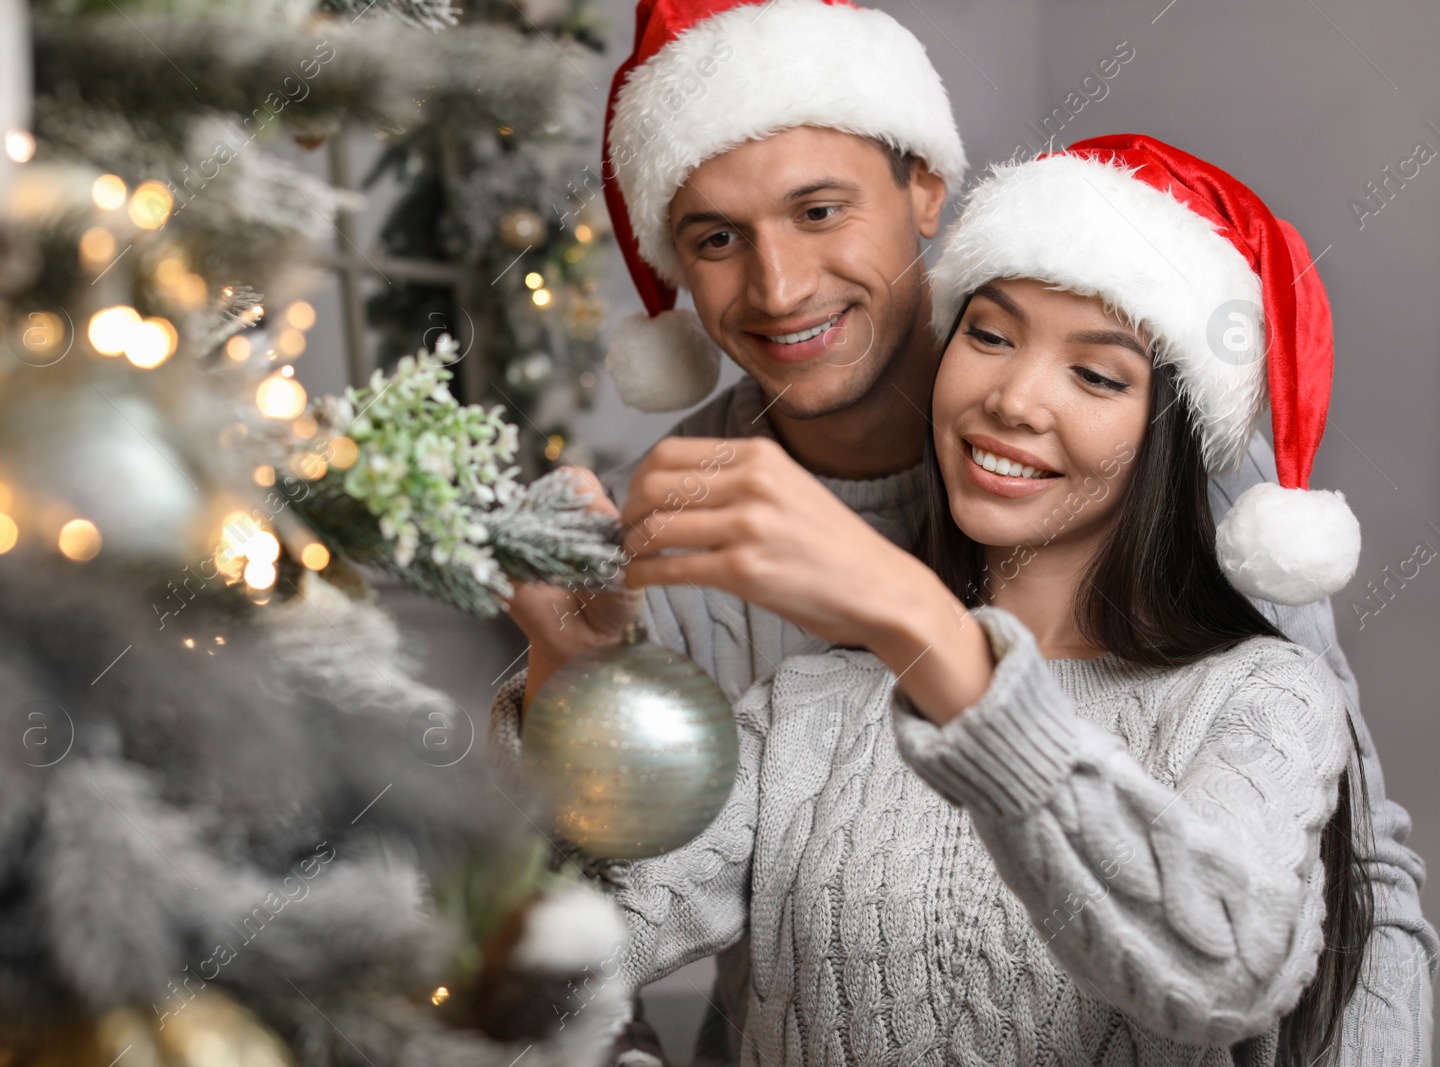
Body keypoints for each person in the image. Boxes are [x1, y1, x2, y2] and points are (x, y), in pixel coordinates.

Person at [493, 0, 1437, 1062]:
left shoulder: (1249, 674)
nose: (780, 285)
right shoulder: (776, 675)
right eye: (989, 337)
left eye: (818, 211)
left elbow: (1289, 929)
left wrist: (917, 624)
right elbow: (543, 954)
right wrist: (565, 680)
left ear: (924, 191)